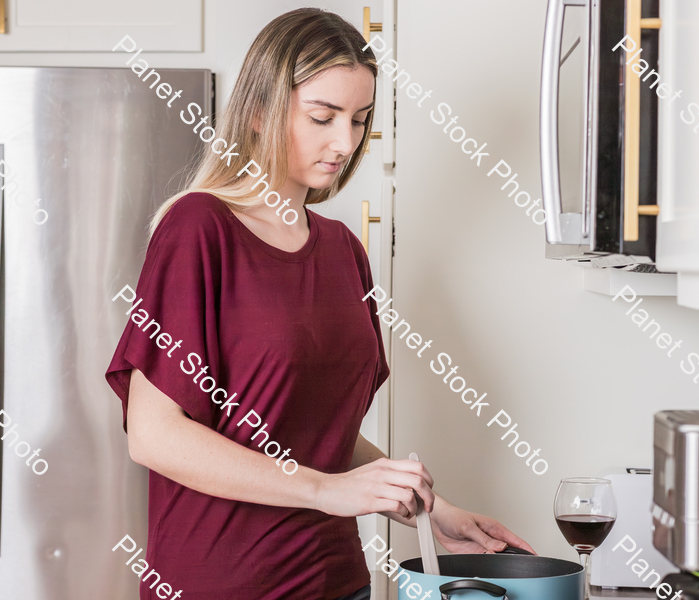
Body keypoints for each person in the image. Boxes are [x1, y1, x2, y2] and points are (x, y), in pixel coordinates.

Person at [106, 8, 534, 600]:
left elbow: (317, 428)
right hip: (223, 584)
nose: (345, 143)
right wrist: (324, 492)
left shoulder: (342, 249)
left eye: (359, 120)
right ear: (258, 110)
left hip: (337, 580)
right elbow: (153, 435)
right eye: (322, 116)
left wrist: (432, 510)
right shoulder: (200, 228)